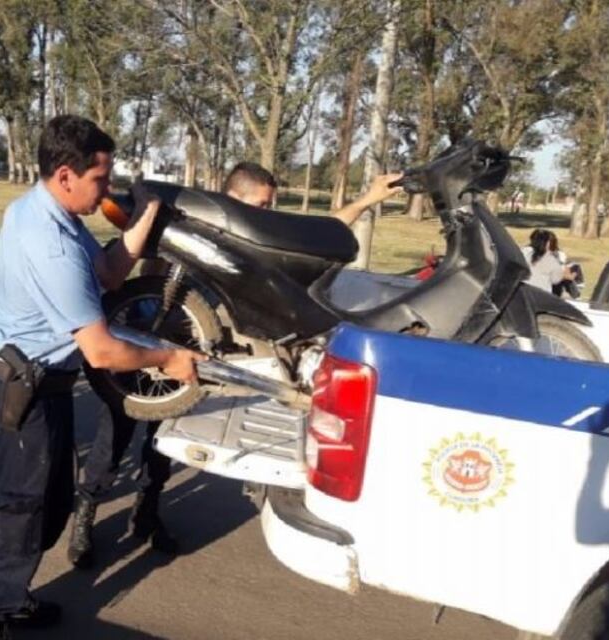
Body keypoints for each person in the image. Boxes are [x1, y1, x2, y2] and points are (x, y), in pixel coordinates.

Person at [65, 161, 404, 570]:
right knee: (111, 442)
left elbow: (318, 234)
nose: (265, 214)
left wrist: (368, 198)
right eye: (259, 206)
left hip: (190, 359)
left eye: (269, 205)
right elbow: (141, 268)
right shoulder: (189, 228)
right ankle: (84, 520)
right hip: (141, 348)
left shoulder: (253, 241)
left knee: (161, 447)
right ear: (232, 200)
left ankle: (146, 516)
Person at [0, 115, 203, 640]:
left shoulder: (50, 213)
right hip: (18, 395)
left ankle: (9, 596)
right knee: (20, 511)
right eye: (100, 178)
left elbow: (111, 274)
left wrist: (146, 217)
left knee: (47, 508)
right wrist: (168, 359)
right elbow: (100, 351)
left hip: (42, 388)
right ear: (66, 175)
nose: (107, 189)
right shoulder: (51, 242)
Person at [521, 229, 573, 294]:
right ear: (546, 243)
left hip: (523, 291)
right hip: (542, 293)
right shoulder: (548, 257)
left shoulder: (524, 252)